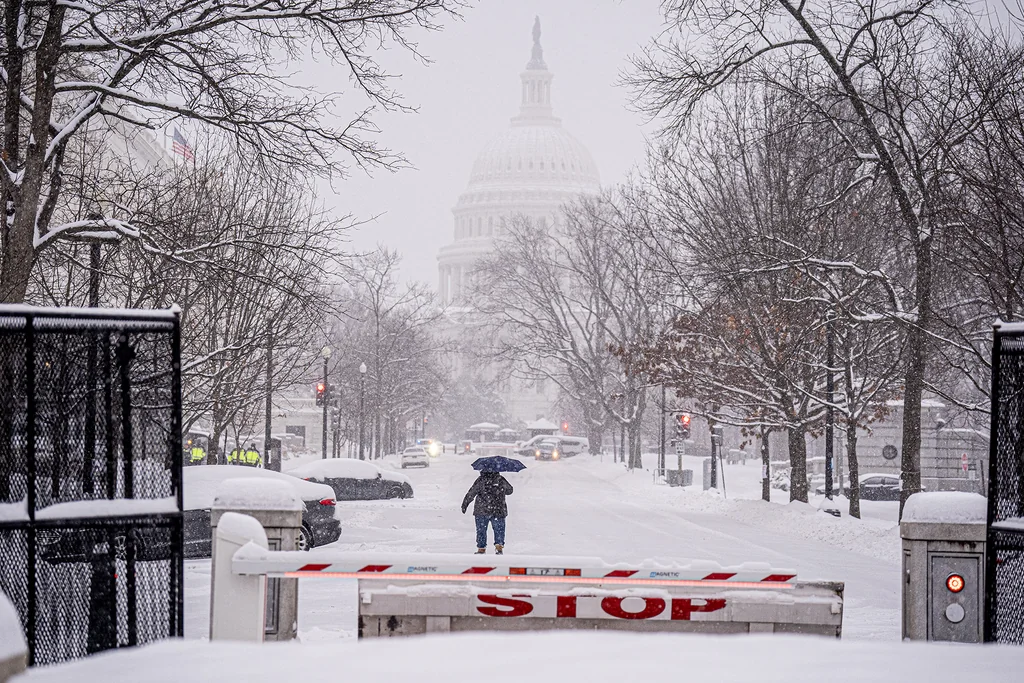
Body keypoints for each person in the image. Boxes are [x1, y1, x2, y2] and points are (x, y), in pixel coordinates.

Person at [461, 471, 513, 555]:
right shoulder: (500, 479)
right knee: (499, 529)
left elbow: (472, 492)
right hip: (498, 509)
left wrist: (465, 503)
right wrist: (500, 488)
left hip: (482, 510)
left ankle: (481, 549)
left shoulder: (481, 480)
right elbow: (510, 490)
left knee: (481, 530)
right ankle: (499, 547)